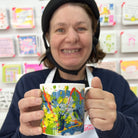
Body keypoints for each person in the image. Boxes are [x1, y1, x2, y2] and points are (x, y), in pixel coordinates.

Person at [0, 0, 138, 137]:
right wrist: (24, 133)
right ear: (48, 37)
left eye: (81, 28)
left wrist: (118, 125)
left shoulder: (114, 83)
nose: (72, 38)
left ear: (93, 35)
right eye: (60, 29)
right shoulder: (28, 85)